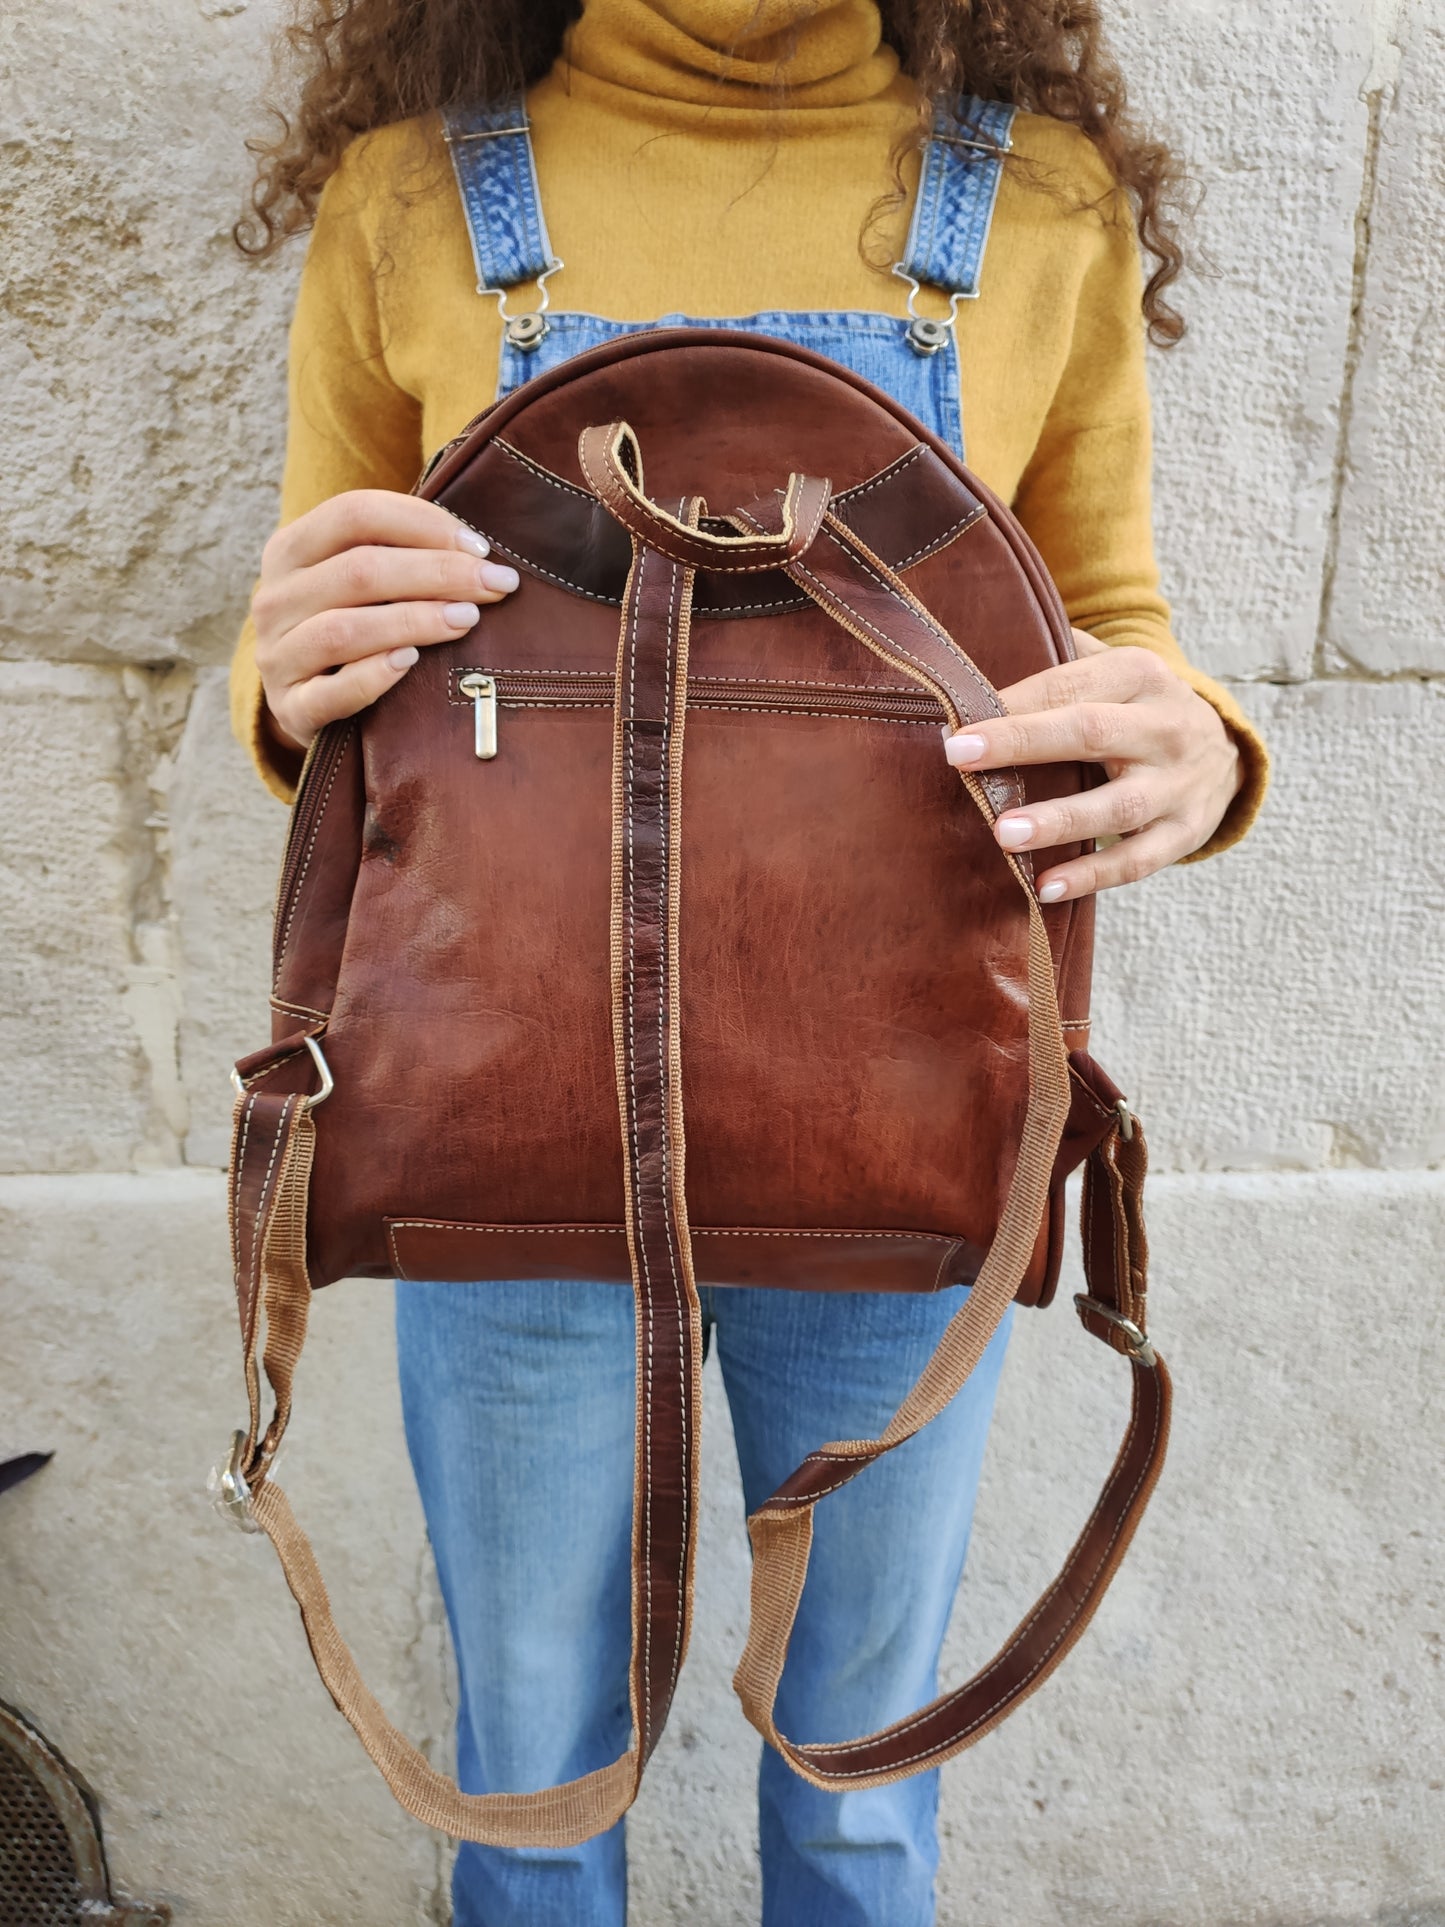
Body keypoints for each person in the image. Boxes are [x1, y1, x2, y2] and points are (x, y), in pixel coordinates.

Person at [229, 3, 1268, 1922]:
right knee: (523, 1763)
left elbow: (1102, 617)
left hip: (899, 1117)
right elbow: (321, 653)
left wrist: (1199, 745)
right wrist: (279, 671)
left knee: (863, 1772)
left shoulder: (1038, 201)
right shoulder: (407, 201)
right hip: (505, 1143)